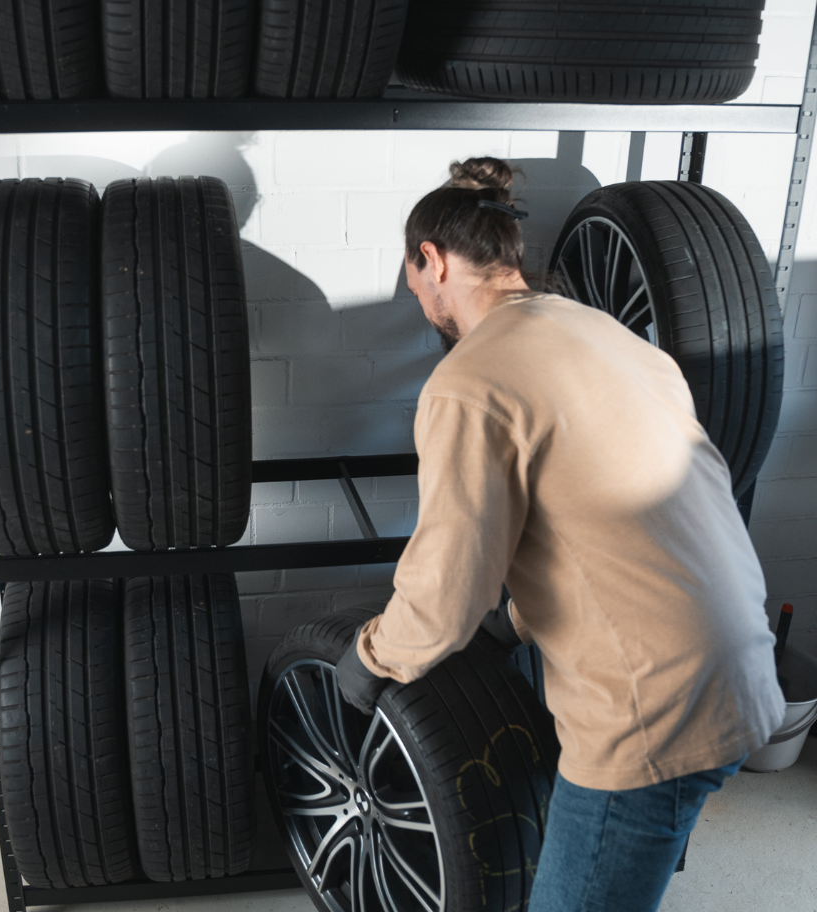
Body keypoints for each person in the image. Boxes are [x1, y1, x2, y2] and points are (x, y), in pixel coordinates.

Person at [334, 157, 785, 912]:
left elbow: (447, 587)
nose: (417, 300)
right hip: (740, 670)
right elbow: (612, 513)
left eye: (414, 281)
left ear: (432, 260)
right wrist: (514, 620)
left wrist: (370, 655)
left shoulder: (469, 381)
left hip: (652, 712)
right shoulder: (608, 336)